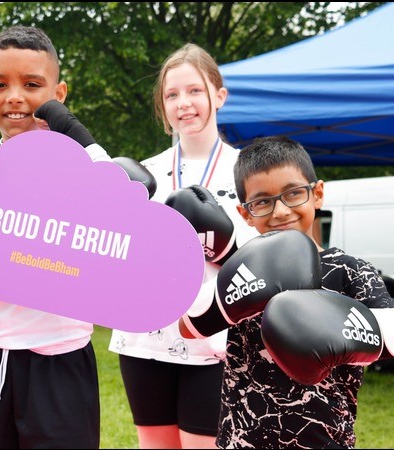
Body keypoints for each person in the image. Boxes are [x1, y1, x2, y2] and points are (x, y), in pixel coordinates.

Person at [0, 25, 116, 449]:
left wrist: (72, 129)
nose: (16, 96)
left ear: (59, 92)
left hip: (60, 358)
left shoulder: (83, 166)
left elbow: (123, 200)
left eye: (33, 85)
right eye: (1, 85)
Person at [107, 43, 257, 449]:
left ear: (219, 95)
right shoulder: (146, 172)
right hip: (144, 340)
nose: (183, 103)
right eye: (172, 95)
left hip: (214, 341)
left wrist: (224, 244)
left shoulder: (249, 170)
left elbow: (268, 258)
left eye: (194, 91)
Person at [214, 135, 394, 448]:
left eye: (293, 194)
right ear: (245, 213)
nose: (281, 211)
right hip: (240, 439)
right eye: (262, 201)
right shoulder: (240, 269)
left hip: (325, 438)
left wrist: (347, 332)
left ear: (318, 194)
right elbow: (189, 327)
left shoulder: (351, 270)